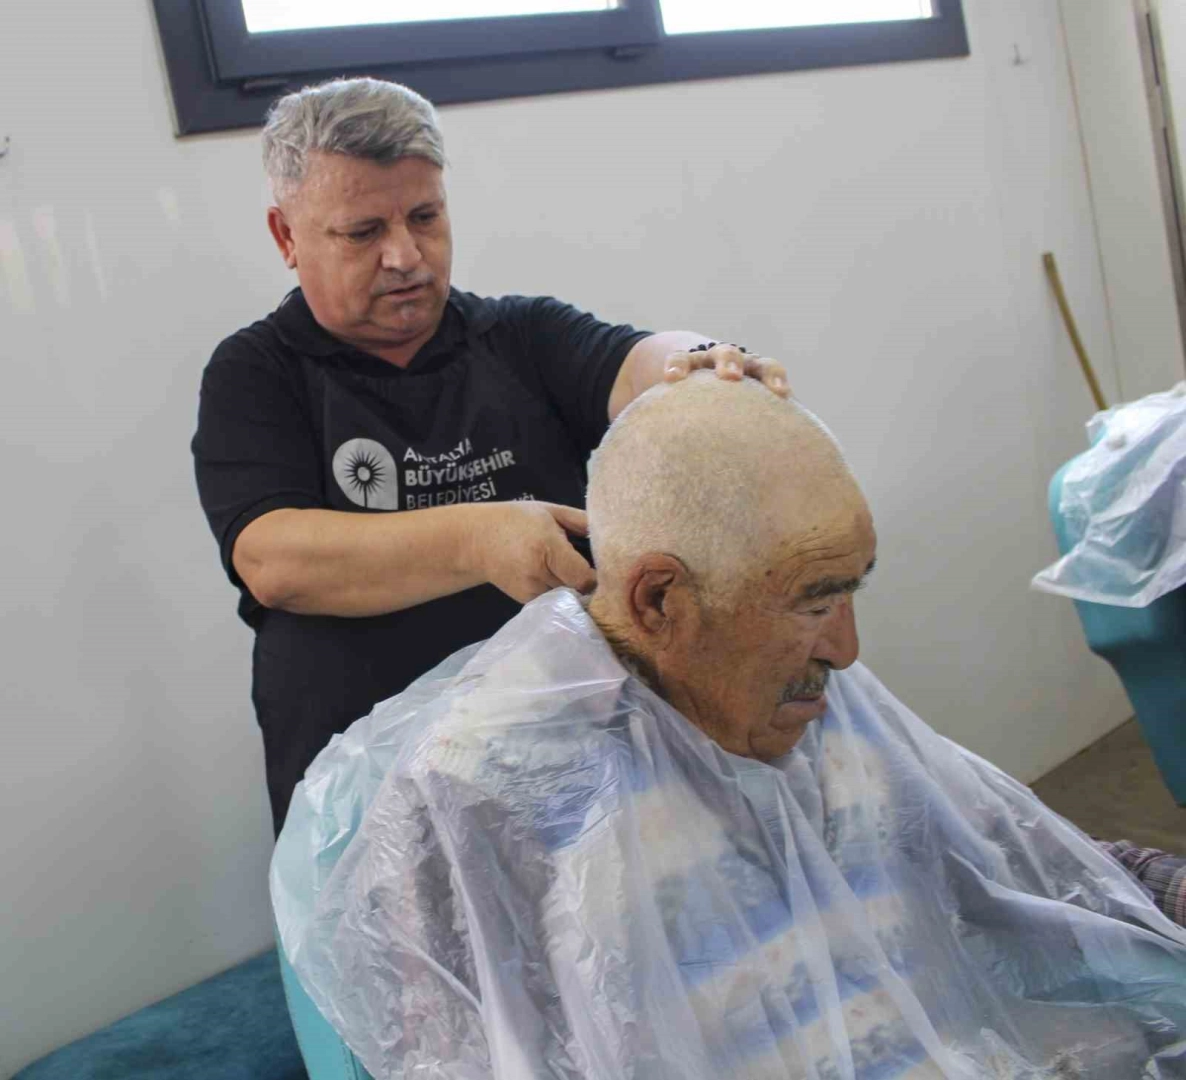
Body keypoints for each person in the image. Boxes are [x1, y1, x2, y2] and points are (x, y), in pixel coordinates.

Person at [273, 376, 1186, 1080]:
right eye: (815, 601)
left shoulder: (809, 700)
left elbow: (1015, 858)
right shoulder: (487, 802)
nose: (849, 651)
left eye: (850, 591)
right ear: (661, 599)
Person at [191, 77, 787, 834]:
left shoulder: (522, 337)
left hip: (566, 777)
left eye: (425, 217)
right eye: (363, 232)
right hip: (369, 800)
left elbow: (635, 361)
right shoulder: (257, 373)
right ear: (286, 237)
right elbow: (273, 559)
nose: (405, 255)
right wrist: (480, 537)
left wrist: (701, 361)